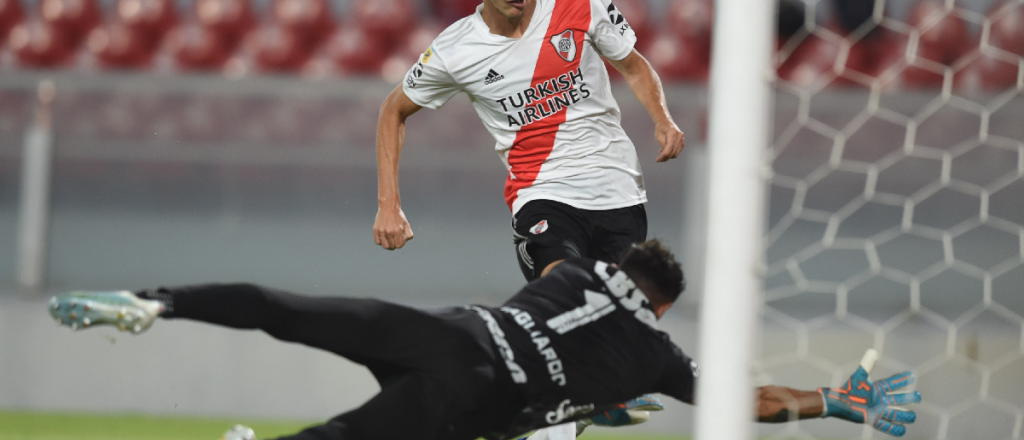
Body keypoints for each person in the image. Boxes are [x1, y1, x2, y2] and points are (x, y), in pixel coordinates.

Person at [49, 240, 921, 440]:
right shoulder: (660, 353)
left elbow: (569, 319)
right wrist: (825, 404)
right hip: (476, 396)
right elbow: (748, 403)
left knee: (287, 306)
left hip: (440, 331)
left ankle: (153, 303)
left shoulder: (570, 268)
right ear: (659, 308)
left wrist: (597, 394)